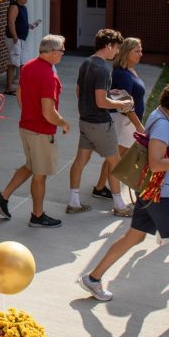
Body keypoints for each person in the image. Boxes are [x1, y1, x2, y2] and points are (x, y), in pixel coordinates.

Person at [77, 79, 169, 322]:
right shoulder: (163, 125)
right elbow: (155, 163)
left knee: (134, 236)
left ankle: (93, 278)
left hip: (153, 192)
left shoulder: (162, 116)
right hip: (159, 195)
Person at [0, 34, 69, 228]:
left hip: (26, 127)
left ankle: (3, 198)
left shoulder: (29, 66)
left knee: (31, 165)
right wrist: (63, 123)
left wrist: (28, 113)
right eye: (62, 51)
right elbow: (49, 112)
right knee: (40, 175)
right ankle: (37, 216)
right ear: (52, 52)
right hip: (41, 132)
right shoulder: (48, 75)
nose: (63, 55)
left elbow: (19, 92)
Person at [67, 29, 134, 216]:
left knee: (80, 161)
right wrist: (122, 103)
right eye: (117, 48)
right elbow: (101, 102)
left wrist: (108, 96)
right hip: (100, 123)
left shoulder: (86, 63)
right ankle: (120, 206)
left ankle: (74, 202)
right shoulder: (103, 69)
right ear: (108, 45)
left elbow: (80, 92)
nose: (117, 52)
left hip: (85, 120)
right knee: (115, 163)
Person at [94, 37, 146, 198]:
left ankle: (100, 187)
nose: (140, 54)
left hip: (128, 121)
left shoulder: (130, 70)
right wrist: (138, 125)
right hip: (124, 121)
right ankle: (113, 194)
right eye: (136, 51)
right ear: (126, 52)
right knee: (116, 159)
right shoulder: (122, 75)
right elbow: (124, 105)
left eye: (140, 50)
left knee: (113, 157)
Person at [3, 0, 40, 95]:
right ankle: (8, 88)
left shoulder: (23, 7)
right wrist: (15, 38)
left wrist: (29, 26)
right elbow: (11, 22)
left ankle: (22, 86)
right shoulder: (14, 7)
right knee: (13, 62)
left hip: (22, 39)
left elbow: (20, 22)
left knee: (23, 63)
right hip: (15, 39)